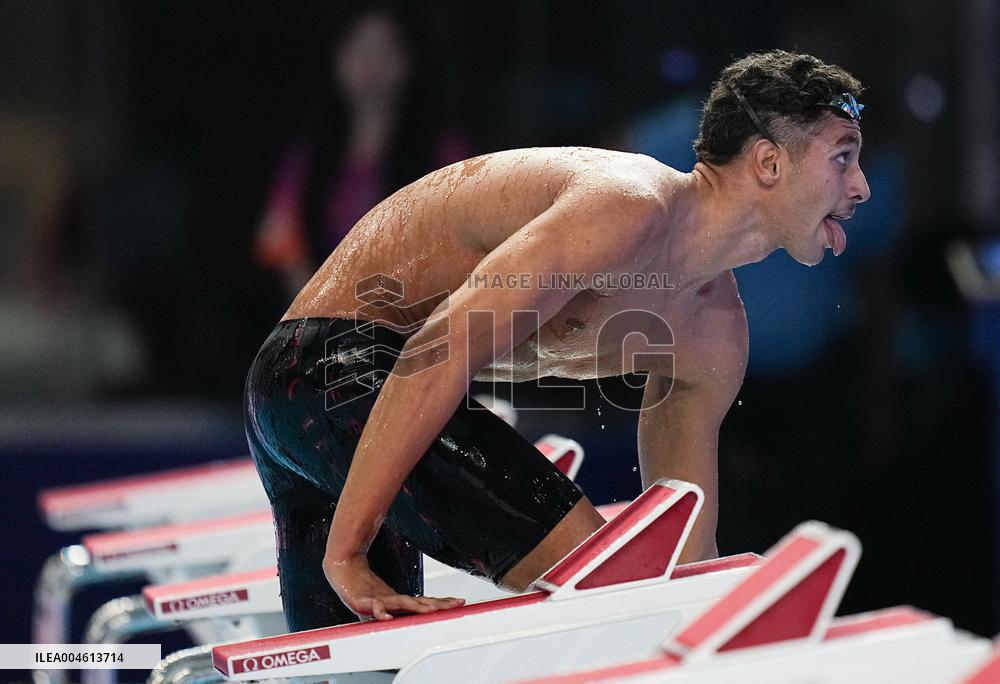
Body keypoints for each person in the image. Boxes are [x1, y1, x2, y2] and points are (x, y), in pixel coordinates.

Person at [244, 49, 870, 630]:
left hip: (330, 401)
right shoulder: (626, 208)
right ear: (768, 162)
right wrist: (347, 551)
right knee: (613, 592)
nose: (861, 187)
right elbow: (438, 351)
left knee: (354, 672)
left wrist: (721, 643)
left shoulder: (714, 334)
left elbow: (684, 555)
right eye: (842, 158)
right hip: (331, 369)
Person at [254, 6, 471, 299]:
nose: (372, 63)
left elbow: (465, 246)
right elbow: (282, 244)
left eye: (385, 49)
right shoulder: (307, 159)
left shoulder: (444, 156)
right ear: (336, 59)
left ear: (410, 61)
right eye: (360, 48)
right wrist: (322, 312)